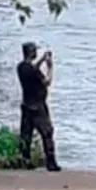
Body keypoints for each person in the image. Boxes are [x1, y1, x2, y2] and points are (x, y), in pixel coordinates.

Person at [16, 41, 60, 171]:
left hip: (26, 105)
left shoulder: (21, 68)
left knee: (26, 134)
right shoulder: (35, 72)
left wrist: (42, 60)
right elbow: (47, 82)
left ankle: (25, 160)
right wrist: (50, 67)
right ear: (32, 52)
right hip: (38, 106)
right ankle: (51, 162)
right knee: (47, 133)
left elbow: (33, 68)